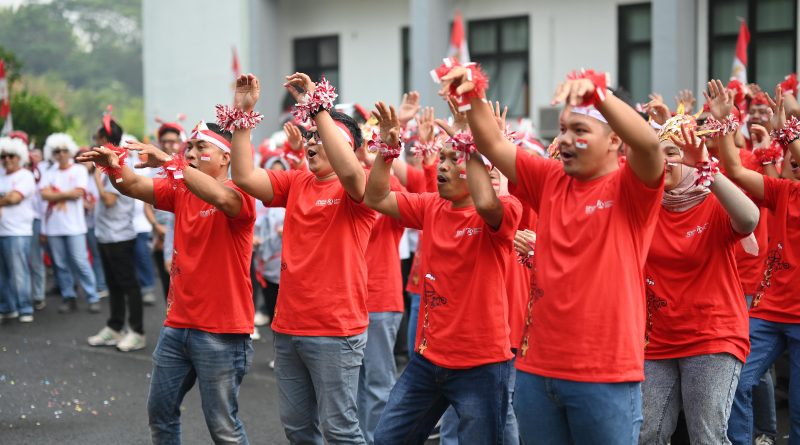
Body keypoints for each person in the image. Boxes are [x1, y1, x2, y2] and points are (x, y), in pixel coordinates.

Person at [439, 65, 664, 443]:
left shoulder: (632, 187)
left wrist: (600, 95)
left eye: (580, 131)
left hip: (604, 374)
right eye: (562, 129)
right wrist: (471, 95)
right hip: (537, 371)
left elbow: (649, 146)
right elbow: (493, 145)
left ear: (613, 141)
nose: (566, 139)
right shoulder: (550, 179)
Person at [77, 119, 256, 444]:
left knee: (223, 430)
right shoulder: (181, 189)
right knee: (160, 414)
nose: (191, 152)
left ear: (226, 158)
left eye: (201, 147)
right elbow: (133, 186)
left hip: (222, 333)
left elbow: (223, 199)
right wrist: (113, 168)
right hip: (178, 326)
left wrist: (172, 164)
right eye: (190, 147)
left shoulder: (239, 191)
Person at [363, 97, 521, 444]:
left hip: (481, 366)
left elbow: (484, 202)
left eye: (454, 159)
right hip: (427, 359)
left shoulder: (504, 209)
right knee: (387, 439)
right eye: (443, 158)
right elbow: (375, 198)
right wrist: (387, 151)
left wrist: (478, 142)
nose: (442, 167)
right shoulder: (432, 205)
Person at [229, 73, 374, 444]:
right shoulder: (295, 182)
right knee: (298, 429)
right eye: (310, 135)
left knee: (341, 431)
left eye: (321, 135)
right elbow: (244, 176)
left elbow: (351, 170)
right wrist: (243, 117)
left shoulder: (359, 187)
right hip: (289, 327)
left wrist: (320, 108)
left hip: (335, 330)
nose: (312, 140)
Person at [639, 83, 759, 444]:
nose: (667, 161)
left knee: (706, 435)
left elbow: (749, 219)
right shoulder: (643, 208)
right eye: (659, 154)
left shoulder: (712, 200)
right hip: (657, 339)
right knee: (649, 433)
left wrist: (708, 167)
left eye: (674, 153)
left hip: (712, 335)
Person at [722, 85, 800, 444]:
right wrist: (724, 122)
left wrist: (787, 125)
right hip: (769, 311)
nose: (792, 165)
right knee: (736, 380)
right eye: (792, 161)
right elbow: (735, 170)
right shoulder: (785, 191)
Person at [86, 118, 146, 352]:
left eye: (97, 139)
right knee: (113, 284)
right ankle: (115, 326)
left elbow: (110, 200)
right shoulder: (105, 166)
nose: (94, 143)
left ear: (105, 141)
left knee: (129, 284)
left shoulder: (119, 163)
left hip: (121, 236)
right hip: (106, 235)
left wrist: (94, 178)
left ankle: (137, 331)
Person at [40, 133, 100, 314]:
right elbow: (43, 194)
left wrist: (55, 194)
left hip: (75, 226)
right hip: (53, 227)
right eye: (56, 151)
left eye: (64, 150)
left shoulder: (78, 170)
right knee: (60, 264)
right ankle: (68, 296)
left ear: (70, 151)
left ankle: (92, 296)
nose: (60, 154)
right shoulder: (49, 172)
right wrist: (66, 193)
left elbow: (78, 193)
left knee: (81, 262)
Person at [0, 136, 36, 322]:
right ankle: (7, 308)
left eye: (11, 155)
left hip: (18, 232)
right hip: (2, 231)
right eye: (3, 156)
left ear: (19, 156)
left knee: (19, 272)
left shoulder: (25, 175)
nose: (7, 159)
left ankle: (25, 308)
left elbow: (15, 198)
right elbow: (9, 198)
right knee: (2, 274)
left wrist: (6, 198)